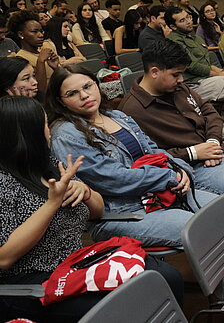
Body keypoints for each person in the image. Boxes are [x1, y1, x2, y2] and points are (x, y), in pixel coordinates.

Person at [45, 65, 224, 301]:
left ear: (97, 85)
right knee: (207, 229)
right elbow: (113, 179)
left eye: (87, 86)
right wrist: (167, 176)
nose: (84, 95)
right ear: (60, 102)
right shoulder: (67, 134)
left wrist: (180, 169)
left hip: (158, 195)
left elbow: (154, 150)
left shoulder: (115, 116)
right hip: (124, 212)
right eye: (72, 93)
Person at [0, 96, 184, 323]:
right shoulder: (4, 182)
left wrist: (85, 191)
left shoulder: (48, 163)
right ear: (27, 134)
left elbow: (98, 212)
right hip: (31, 284)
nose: (50, 132)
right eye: (45, 125)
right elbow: (4, 258)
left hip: (75, 264)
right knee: (132, 302)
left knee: (168, 277)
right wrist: (51, 204)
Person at [118, 39, 224, 210]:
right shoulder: (131, 111)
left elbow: (210, 114)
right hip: (192, 167)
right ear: (155, 72)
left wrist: (212, 142)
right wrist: (193, 153)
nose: (181, 79)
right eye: (176, 74)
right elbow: (146, 160)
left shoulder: (178, 88)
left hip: (218, 149)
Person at [163, 7, 224, 144]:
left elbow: (207, 63)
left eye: (188, 17)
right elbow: (192, 66)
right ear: (173, 26)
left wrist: (222, 72)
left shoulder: (195, 37)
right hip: (191, 85)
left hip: (206, 80)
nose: (188, 22)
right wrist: (219, 75)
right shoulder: (174, 41)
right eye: (182, 20)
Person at [9, 10, 59, 92]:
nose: (41, 35)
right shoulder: (21, 58)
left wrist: (56, 68)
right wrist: (40, 61)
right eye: (34, 32)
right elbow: (39, 91)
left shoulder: (42, 53)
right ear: (21, 34)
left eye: (41, 31)